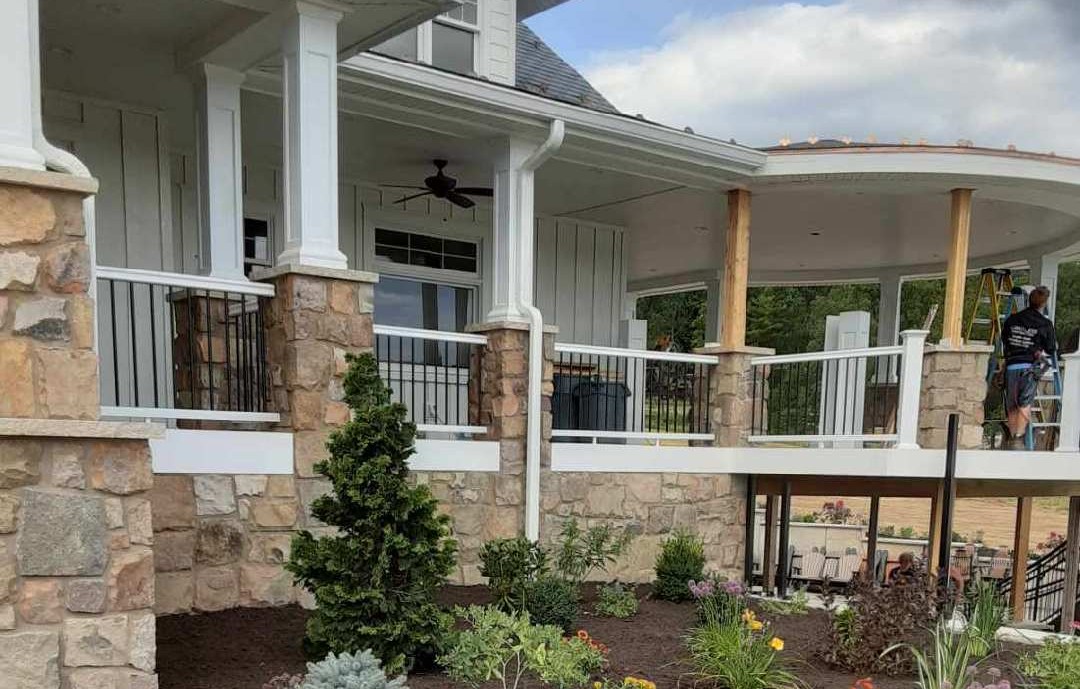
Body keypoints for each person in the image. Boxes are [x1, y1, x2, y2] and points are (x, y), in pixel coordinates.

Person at [1001, 285, 1057, 449]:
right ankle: (1018, 439)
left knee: (1012, 405)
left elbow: (1005, 339)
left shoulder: (1012, 319)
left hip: (1011, 366)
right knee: (1024, 403)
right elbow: (1051, 348)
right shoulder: (1044, 323)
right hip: (1029, 368)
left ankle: (1012, 438)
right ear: (1043, 303)